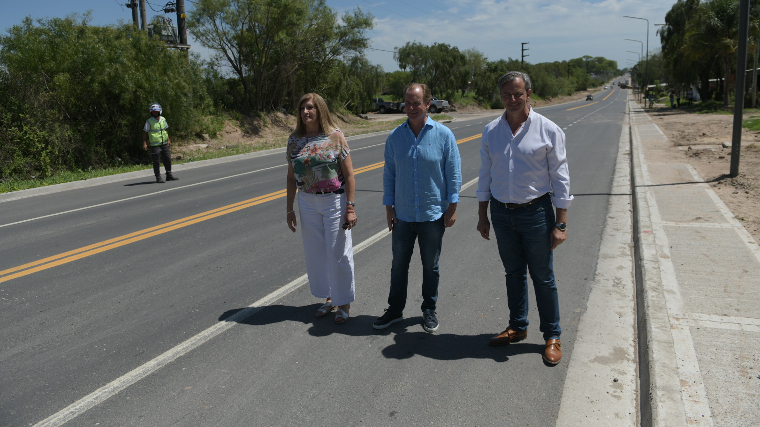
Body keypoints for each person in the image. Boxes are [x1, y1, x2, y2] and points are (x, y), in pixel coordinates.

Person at [476, 71, 572, 365]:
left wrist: (561, 223)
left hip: (537, 213)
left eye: (518, 93)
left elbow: (561, 177)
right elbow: (485, 175)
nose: (513, 99)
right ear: (501, 96)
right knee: (513, 274)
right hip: (502, 213)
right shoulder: (491, 130)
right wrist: (483, 215)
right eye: (507, 94)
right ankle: (517, 327)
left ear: (529, 93)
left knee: (543, 277)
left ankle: (552, 336)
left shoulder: (548, 130)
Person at [373, 83, 462, 333]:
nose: (411, 107)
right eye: (408, 102)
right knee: (398, 265)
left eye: (417, 102)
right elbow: (389, 174)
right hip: (402, 214)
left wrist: (452, 206)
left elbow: (453, 173)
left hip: (432, 214)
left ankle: (429, 309)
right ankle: (395, 310)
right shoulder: (395, 137)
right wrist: (388, 208)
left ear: (427, 103)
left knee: (430, 266)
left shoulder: (444, 135)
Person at [286, 93, 357, 324]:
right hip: (306, 201)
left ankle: (344, 302)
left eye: (311, 108)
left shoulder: (335, 137)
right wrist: (289, 210)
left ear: (320, 110)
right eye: (302, 108)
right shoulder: (294, 140)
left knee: (338, 252)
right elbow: (290, 178)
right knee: (317, 254)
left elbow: (349, 175)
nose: (306, 112)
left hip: (334, 201)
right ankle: (330, 299)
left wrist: (350, 207)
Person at [142, 103, 178, 183]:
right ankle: (158, 177)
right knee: (156, 161)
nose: (154, 113)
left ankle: (169, 175)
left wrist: (168, 140)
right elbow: (144, 132)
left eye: (156, 112)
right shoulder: (149, 121)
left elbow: (165, 130)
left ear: (159, 112)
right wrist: (144, 143)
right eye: (153, 112)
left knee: (168, 159)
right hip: (155, 145)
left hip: (164, 144)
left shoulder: (163, 119)